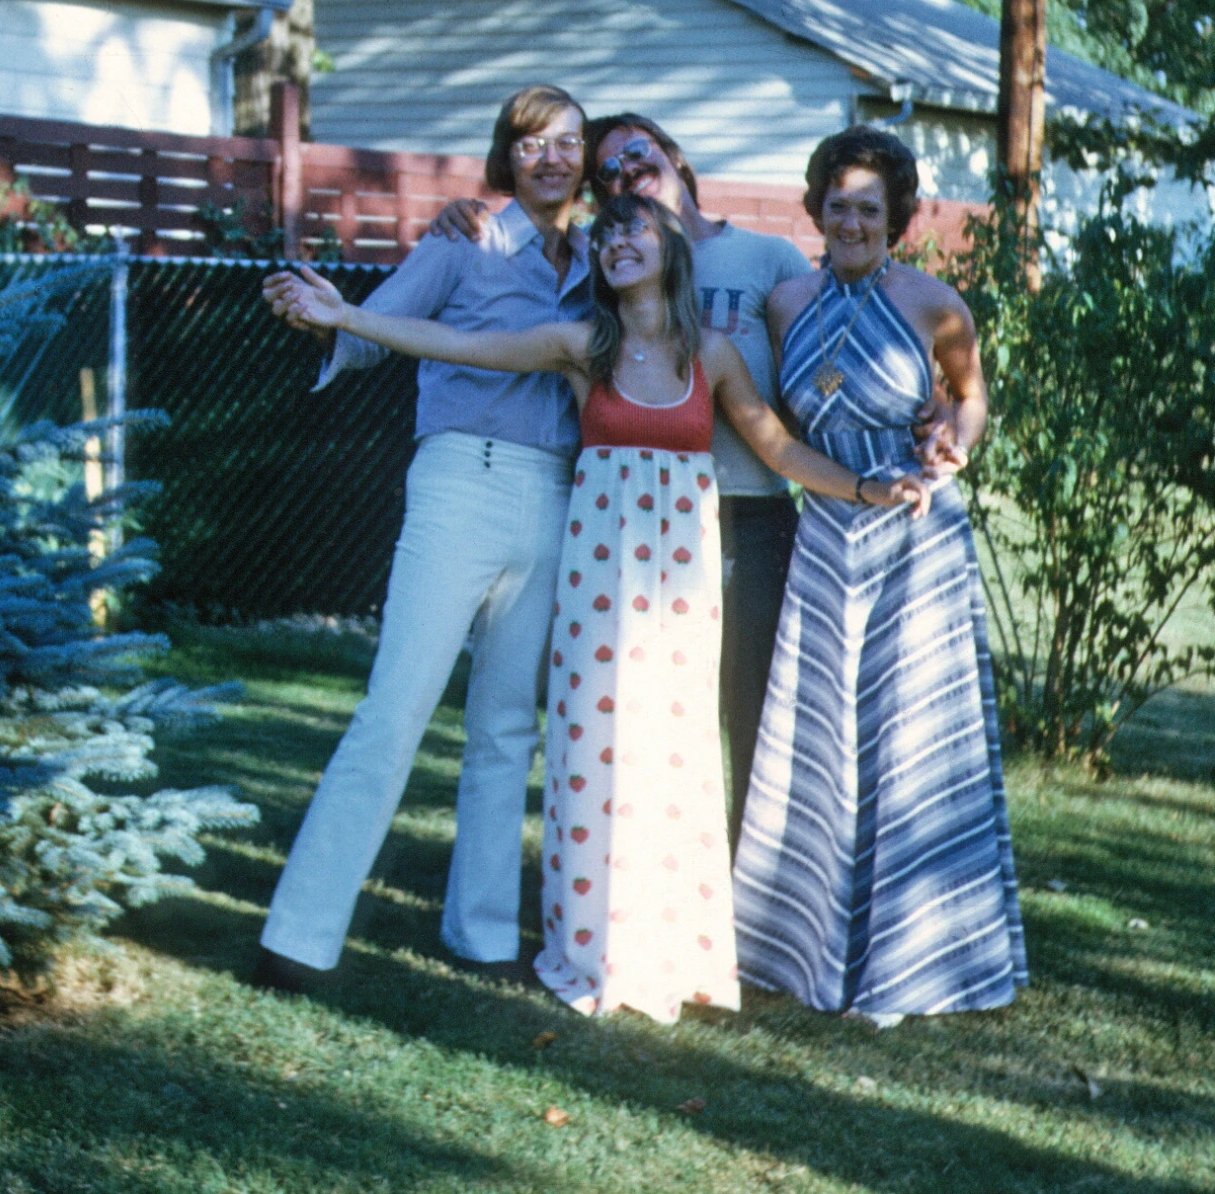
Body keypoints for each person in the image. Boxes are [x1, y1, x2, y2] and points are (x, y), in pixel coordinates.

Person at [269, 192, 931, 1024]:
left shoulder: (714, 355)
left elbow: (779, 447)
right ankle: (593, 943)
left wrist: (869, 486)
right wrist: (351, 318)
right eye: (607, 233)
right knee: (594, 753)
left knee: (675, 755)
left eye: (635, 229)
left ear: (668, 248)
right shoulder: (582, 346)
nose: (618, 242)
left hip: (681, 592)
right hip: (597, 583)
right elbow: (457, 342)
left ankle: (672, 944)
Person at [252, 85, 593, 992]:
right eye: (532, 144)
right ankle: (299, 935)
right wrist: (325, 313)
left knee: (505, 727)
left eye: (568, 142)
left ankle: (480, 936)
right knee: (395, 705)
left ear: (585, 157)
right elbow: (371, 334)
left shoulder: (603, 259)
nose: (551, 158)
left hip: (556, 496)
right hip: (460, 481)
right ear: (506, 156)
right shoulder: (461, 241)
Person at [431, 113, 817, 852]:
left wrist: (922, 407)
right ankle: (638, 875)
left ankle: (751, 898)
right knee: (650, 713)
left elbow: (818, 361)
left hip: (754, 510)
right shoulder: (610, 254)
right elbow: (511, 299)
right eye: (605, 176)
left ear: (674, 156)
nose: (622, 178)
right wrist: (468, 209)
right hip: (641, 521)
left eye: (635, 157)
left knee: (755, 715)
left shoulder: (765, 256)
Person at [732, 125, 1028, 1023]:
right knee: (816, 732)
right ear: (815, 207)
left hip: (913, 529)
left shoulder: (936, 302)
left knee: (909, 736)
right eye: (836, 203)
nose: (850, 219)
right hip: (825, 528)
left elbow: (970, 396)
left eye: (868, 206)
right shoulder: (782, 301)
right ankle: (800, 948)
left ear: (895, 216)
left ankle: (912, 961)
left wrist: (956, 444)